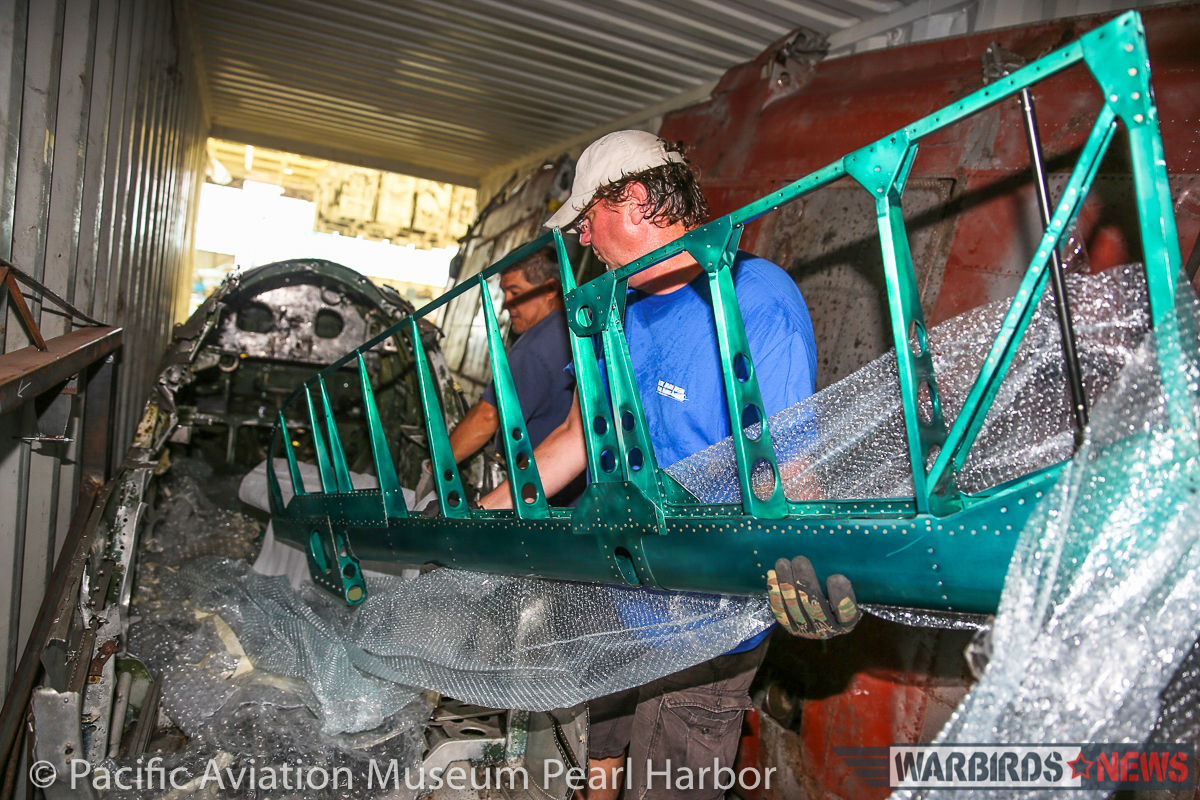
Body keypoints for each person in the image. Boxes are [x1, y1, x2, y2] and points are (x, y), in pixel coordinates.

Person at [480, 130, 859, 799]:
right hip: (619, 585)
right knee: (595, 757)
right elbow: (577, 436)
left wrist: (813, 561)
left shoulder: (751, 297)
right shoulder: (610, 310)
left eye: (586, 221)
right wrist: (479, 516)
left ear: (632, 201)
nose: (584, 240)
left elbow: (787, 463)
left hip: (710, 616)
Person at [420, 248, 583, 505]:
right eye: (505, 292)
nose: (506, 302)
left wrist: (434, 468)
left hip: (538, 494)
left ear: (550, 289)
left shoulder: (535, 346)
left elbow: (487, 416)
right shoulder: (576, 329)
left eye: (515, 292)